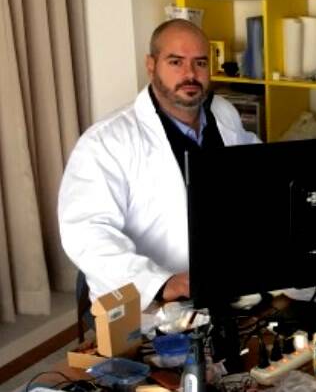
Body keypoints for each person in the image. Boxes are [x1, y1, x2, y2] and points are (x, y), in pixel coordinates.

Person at [59, 19, 259, 311]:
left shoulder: (223, 114)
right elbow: (86, 232)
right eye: (176, 62)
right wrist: (161, 282)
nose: (190, 74)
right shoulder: (105, 142)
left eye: (200, 63)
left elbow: (259, 171)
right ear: (151, 65)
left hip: (226, 286)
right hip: (148, 303)